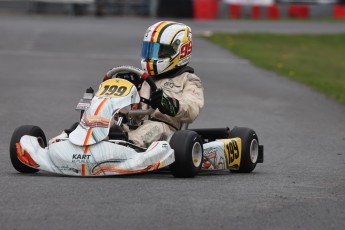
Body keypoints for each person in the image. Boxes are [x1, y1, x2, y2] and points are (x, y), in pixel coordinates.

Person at [126, 21, 204, 147]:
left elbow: (191, 109)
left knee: (154, 127)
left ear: (181, 51)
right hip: (135, 125)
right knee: (107, 122)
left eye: (160, 51)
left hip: (167, 132)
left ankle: (127, 147)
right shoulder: (143, 78)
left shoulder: (190, 80)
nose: (153, 56)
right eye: (150, 50)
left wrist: (167, 103)